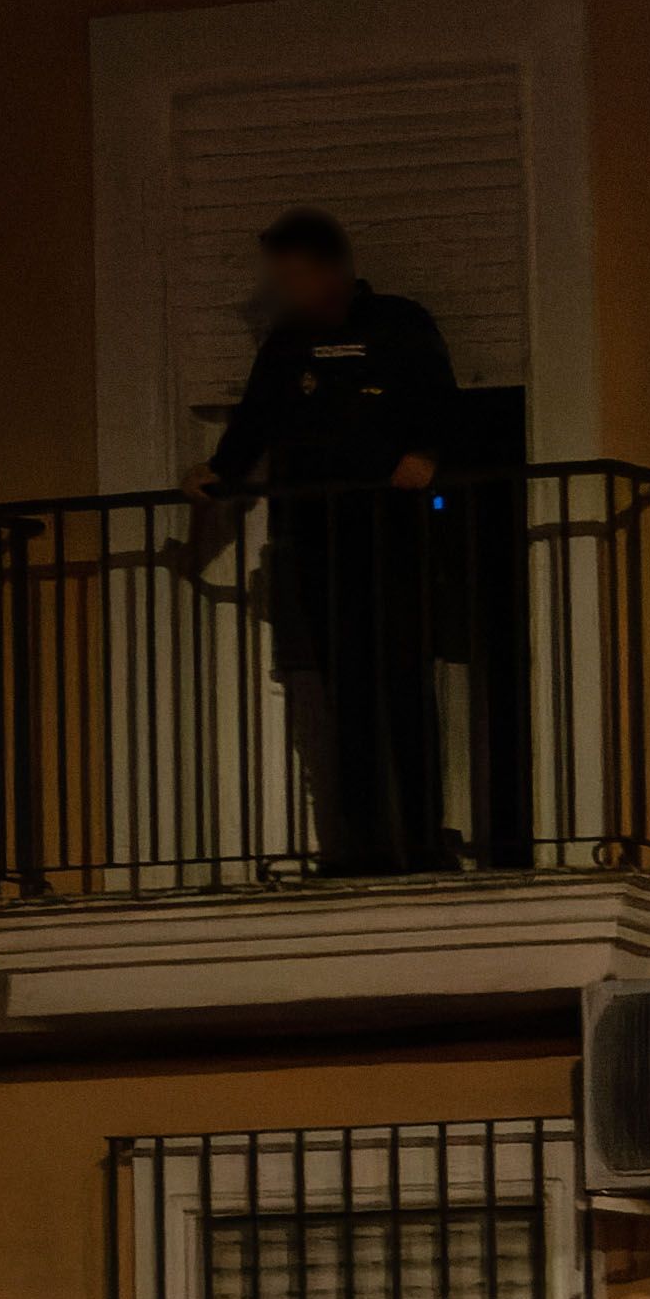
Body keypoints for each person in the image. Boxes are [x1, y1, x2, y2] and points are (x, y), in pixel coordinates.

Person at [195, 208, 463, 877]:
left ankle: (424, 843)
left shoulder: (400, 324)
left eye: (295, 274)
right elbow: (255, 421)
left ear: (332, 269)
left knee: (403, 686)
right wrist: (220, 473)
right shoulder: (287, 343)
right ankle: (363, 848)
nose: (287, 289)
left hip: (395, 537)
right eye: (280, 278)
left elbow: (445, 407)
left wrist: (426, 455)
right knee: (348, 699)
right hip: (319, 542)